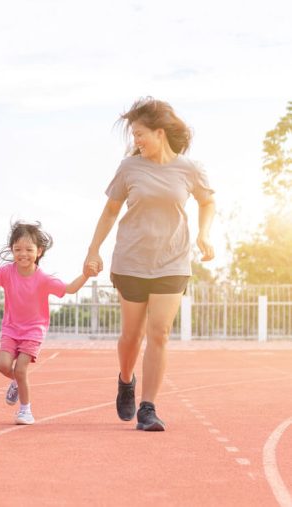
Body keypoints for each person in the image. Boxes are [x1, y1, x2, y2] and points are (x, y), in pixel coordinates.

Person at [83, 97, 216, 431]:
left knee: (160, 332)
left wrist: (204, 234)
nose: (136, 141)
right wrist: (93, 250)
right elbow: (111, 211)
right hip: (131, 260)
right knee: (131, 335)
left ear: (160, 133)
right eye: (133, 136)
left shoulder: (189, 169)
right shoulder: (129, 168)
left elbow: (207, 201)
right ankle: (126, 380)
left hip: (173, 261)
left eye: (140, 134)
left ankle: (148, 407)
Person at [0, 221, 93, 425]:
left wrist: (86, 275)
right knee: (3, 366)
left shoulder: (43, 279)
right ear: (12, 250)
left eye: (29, 249)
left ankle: (25, 410)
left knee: (20, 369)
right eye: (18, 249)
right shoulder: (7, 273)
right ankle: (17, 383)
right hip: (11, 328)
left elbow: (70, 289)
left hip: (33, 331)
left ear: (39, 251)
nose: (23, 254)